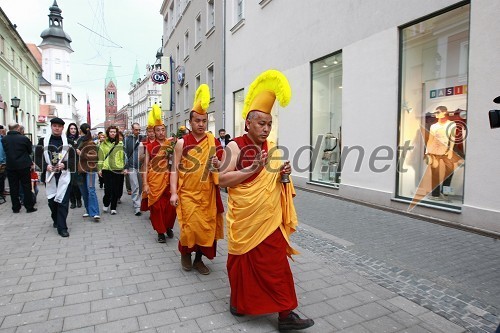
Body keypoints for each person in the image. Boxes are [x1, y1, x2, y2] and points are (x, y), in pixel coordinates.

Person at [218, 70, 314, 331]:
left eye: (269, 124)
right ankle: (239, 302)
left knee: (276, 266)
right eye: (261, 123)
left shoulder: (271, 148)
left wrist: (283, 176)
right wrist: (251, 169)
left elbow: (277, 183)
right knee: (240, 261)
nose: (266, 128)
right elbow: (222, 180)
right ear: (248, 123)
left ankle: (285, 314)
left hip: (269, 220)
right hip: (244, 219)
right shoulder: (234, 147)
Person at [170, 84, 224, 275]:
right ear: (190, 122)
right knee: (189, 227)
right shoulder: (182, 143)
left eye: (204, 120)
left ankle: (200, 259)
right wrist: (174, 192)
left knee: (206, 228)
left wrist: (218, 163)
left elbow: (221, 167)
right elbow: (174, 169)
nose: (201, 124)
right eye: (197, 121)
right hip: (188, 193)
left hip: (208, 193)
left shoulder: (213, 141)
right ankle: (186, 253)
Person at [34, 117, 76, 237]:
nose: (57, 128)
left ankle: (62, 227)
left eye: (59, 126)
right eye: (55, 126)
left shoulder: (69, 142)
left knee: (63, 201)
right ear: (51, 127)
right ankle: (56, 219)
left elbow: (74, 159)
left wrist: (65, 164)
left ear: (63, 128)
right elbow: (37, 157)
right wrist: (45, 166)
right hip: (50, 176)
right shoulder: (43, 141)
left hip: (64, 176)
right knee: (52, 201)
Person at [142, 105, 177, 242]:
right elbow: (145, 166)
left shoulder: (171, 144)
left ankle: (168, 226)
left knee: (170, 207)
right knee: (156, 207)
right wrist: (145, 183)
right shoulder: (149, 147)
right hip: (154, 180)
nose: (161, 132)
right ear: (154, 132)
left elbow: (176, 162)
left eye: (163, 130)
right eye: (158, 130)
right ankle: (160, 232)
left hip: (169, 179)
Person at [2, 123, 37, 213]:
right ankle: (29, 207)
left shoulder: (4, 139)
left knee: (13, 187)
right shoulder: (24, 138)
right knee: (26, 186)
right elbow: (29, 151)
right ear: (18, 128)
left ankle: (15, 207)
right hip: (23, 165)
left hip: (11, 166)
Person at [425, 106, 457, 201]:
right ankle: (435, 195)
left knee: (450, 171)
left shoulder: (451, 124)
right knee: (435, 173)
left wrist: (451, 150)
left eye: (438, 112)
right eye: (436, 112)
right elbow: (430, 139)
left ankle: (445, 193)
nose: (436, 114)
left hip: (446, 151)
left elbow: (452, 138)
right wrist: (427, 152)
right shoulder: (434, 126)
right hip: (434, 151)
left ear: (444, 113)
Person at [97, 125, 125, 215]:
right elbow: (100, 157)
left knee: (116, 189)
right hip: (107, 169)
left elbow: (122, 157)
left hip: (117, 168)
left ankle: (113, 207)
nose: (113, 133)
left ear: (116, 133)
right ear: (108, 133)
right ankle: (106, 203)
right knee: (108, 189)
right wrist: (99, 169)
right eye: (111, 132)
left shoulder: (120, 143)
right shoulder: (103, 143)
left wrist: (123, 168)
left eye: (114, 132)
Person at [77, 123, 100, 222]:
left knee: (91, 189)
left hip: (90, 169)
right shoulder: (79, 141)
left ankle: (95, 212)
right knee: (84, 191)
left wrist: (81, 153)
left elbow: (94, 157)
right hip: (80, 169)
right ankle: (88, 210)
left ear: (82, 131)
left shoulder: (90, 142)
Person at [124, 123, 145, 216]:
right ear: (132, 129)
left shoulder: (143, 138)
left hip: (141, 167)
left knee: (141, 186)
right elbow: (124, 155)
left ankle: (138, 202)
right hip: (131, 166)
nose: (138, 131)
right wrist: (125, 167)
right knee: (135, 186)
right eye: (136, 130)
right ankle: (137, 207)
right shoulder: (127, 140)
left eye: (139, 129)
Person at [66, 123, 82, 209]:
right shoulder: (65, 139)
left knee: (76, 183)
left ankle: (79, 199)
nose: (73, 130)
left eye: (74, 129)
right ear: (69, 130)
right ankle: (72, 201)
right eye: (71, 128)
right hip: (68, 164)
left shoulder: (79, 139)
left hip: (77, 164)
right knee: (69, 183)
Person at [0, 125, 6, 203]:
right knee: (1, 179)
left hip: (3, 161)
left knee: (2, 179)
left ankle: (1, 193)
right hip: (1, 162)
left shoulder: (2, 138)